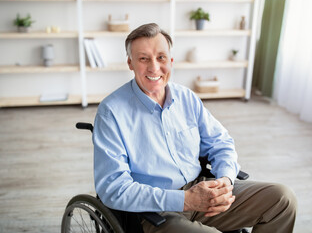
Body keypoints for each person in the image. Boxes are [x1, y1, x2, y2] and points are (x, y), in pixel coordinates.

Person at [93, 23, 297, 233]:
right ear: (130, 63)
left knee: (282, 200)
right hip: (154, 210)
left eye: (161, 57)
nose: (154, 67)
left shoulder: (186, 98)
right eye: (143, 58)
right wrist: (185, 200)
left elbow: (220, 142)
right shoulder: (111, 112)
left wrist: (225, 181)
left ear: (171, 61)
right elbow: (113, 188)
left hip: (201, 189)